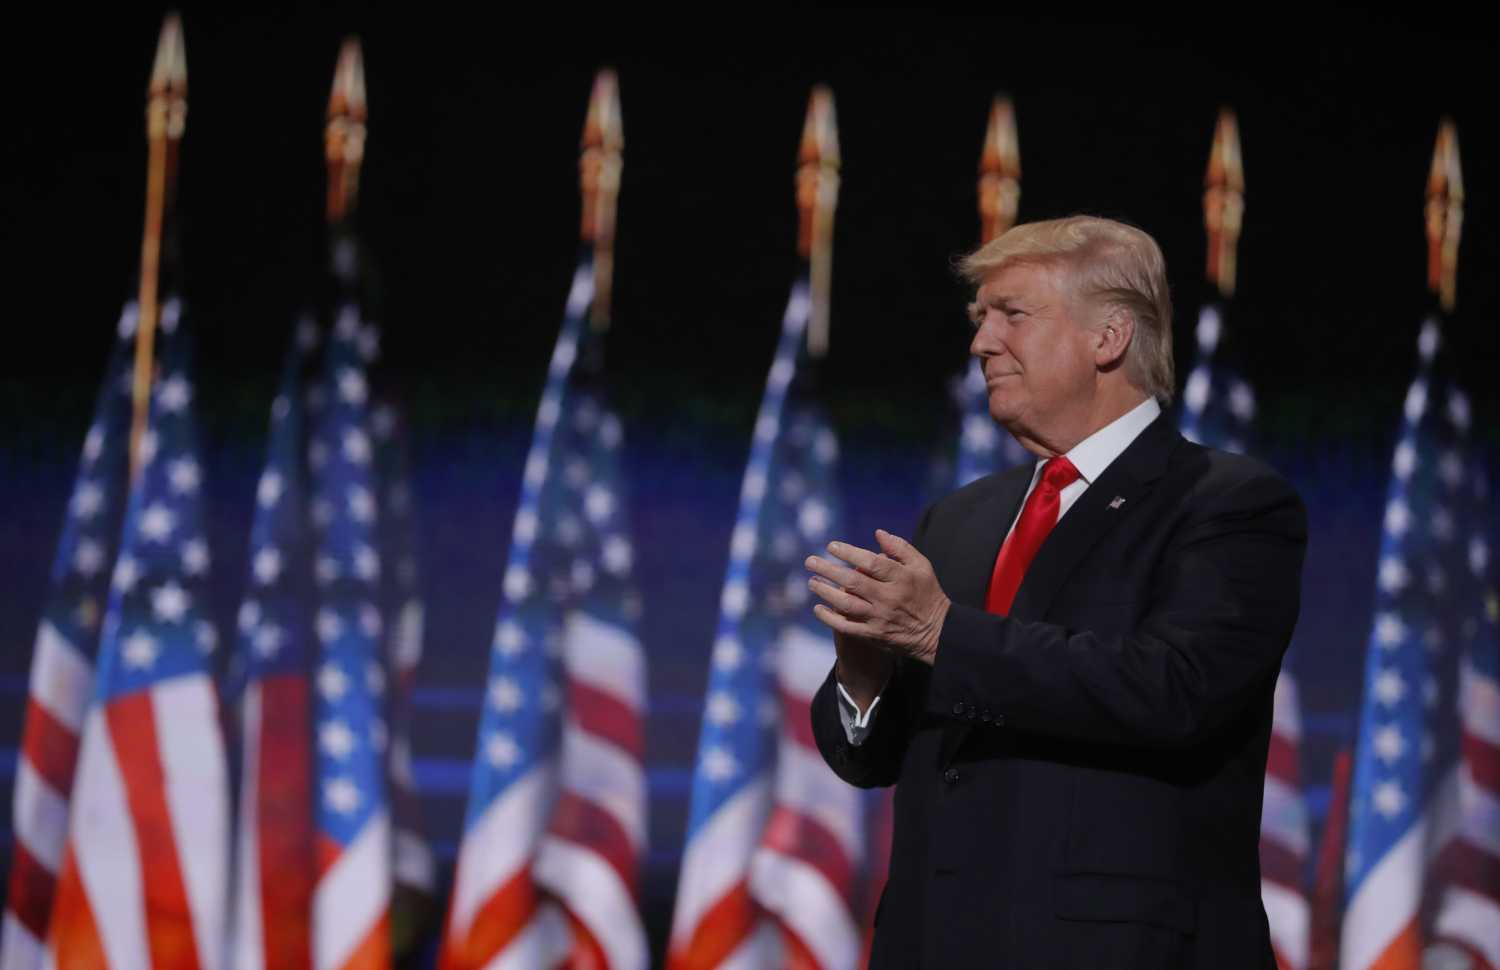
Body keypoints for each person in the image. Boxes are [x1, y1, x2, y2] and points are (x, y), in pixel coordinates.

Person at [805, 215, 1306, 969]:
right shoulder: (961, 518)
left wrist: (941, 634)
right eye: (980, 319)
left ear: (1109, 338)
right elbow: (878, 760)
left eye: (1012, 314)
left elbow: (1174, 691)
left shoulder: (1226, 503)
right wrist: (864, 676)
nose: (980, 343)